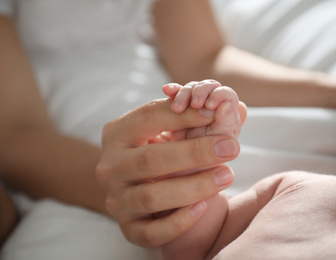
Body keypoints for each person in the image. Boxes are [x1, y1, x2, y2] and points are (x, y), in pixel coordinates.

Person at [0, 0, 335, 258]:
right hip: (78, 159)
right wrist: (142, 187)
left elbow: (204, 58)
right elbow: (18, 133)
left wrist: (329, 92)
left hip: (182, 111)